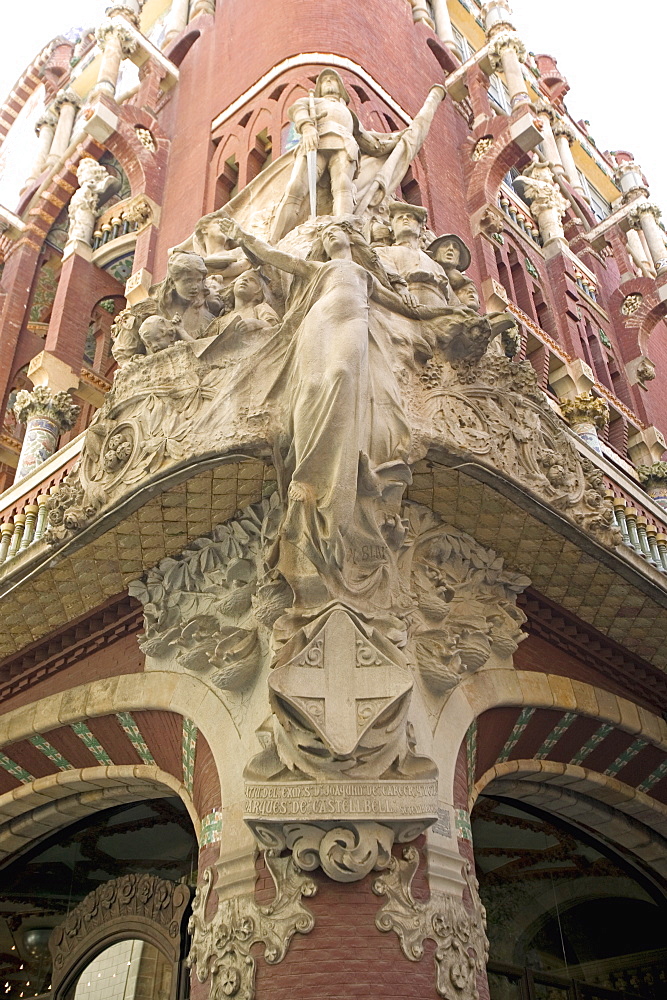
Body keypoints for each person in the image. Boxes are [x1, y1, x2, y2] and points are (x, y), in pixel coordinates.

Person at [215, 214, 416, 607]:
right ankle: (309, 483)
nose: (332, 235)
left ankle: (336, 482)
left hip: (352, 322)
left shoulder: (364, 274)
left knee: (342, 374)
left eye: (338, 231)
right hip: (319, 322)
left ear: (352, 239)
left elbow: (404, 307)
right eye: (326, 234)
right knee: (309, 387)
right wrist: (241, 236)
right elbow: (274, 255)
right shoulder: (319, 268)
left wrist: (441, 313)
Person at [270, 68, 403, 242]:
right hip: (315, 143)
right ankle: (274, 240)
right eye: (325, 81)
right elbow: (297, 110)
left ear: (340, 87)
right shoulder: (312, 101)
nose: (329, 82)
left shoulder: (350, 115)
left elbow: (371, 144)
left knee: (343, 187)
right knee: (296, 188)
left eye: (333, 79)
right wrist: (306, 126)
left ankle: (344, 232)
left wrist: (398, 139)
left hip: (345, 145)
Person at [376, 202, 452, 308]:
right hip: (408, 307)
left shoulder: (437, 266)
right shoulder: (383, 251)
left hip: (440, 313)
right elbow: (385, 270)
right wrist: (401, 289)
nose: (405, 219)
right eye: (400, 218)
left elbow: (453, 301)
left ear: (421, 229)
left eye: (410, 217)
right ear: (392, 230)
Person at [205, 269, 279, 348]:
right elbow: (205, 344)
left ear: (259, 291)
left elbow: (276, 328)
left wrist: (256, 324)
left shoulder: (261, 308)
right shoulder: (220, 321)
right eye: (241, 278)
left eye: (252, 280)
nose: (245, 279)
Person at [152, 252, 216, 338]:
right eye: (188, 281)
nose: (195, 287)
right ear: (172, 283)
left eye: (198, 280)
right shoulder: (154, 310)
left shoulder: (209, 305)